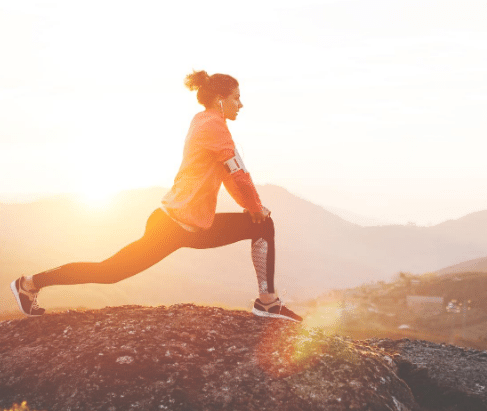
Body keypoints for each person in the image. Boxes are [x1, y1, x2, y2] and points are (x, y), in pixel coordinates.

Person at [10, 70, 302, 322]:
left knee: (261, 225)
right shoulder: (214, 125)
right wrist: (255, 207)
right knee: (110, 272)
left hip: (193, 225)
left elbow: (230, 176)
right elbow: (238, 174)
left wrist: (253, 209)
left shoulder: (204, 121)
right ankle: (30, 283)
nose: (241, 104)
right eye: (237, 97)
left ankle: (267, 301)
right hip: (172, 227)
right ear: (220, 100)